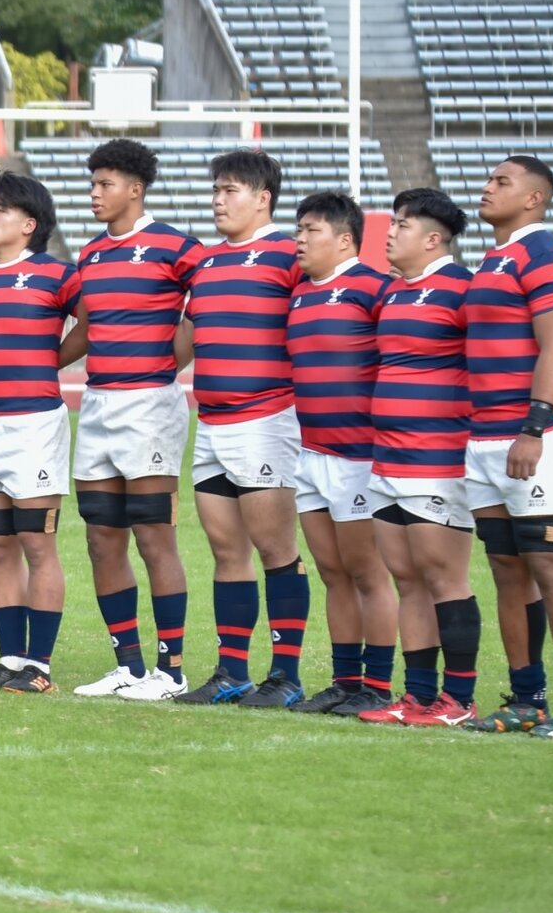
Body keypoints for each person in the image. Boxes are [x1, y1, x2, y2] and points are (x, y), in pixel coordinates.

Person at [66, 140, 205, 701]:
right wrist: (29, 365)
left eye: (105, 184)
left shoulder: (177, 246)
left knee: (154, 536)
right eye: (93, 183)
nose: (95, 193)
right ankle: (128, 664)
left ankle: (171, 670)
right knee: (102, 538)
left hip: (149, 405)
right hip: (97, 404)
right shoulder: (92, 255)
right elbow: (83, 330)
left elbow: (208, 300)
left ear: (135, 189)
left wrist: (170, 361)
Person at [175, 150, 309, 708]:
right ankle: (232, 671)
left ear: (263, 199)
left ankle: (286, 675)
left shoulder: (289, 254)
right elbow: (181, 342)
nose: (218, 201)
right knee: (226, 550)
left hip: (266, 419)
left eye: (230, 191)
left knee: (276, 548)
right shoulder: (204, 263)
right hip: (212, 423)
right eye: (215, 191)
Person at [461, 155, 553, 740]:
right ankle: (527, 699)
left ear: (533, 199)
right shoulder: (494, 260)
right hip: (482, 440)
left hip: (534, 438)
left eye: (501, 182)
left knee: (552, 569)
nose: (487, 188)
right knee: (507, 569)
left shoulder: (544, 255)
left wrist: (534, 426)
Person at [0, 173, 78, 694]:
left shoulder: (57, 275)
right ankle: (8, 659)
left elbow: (91, 322)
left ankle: (39, 666)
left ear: (29, 224)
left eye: (0, 210)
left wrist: (51, 363)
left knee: (37, 543)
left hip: (35, 426)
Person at [356, 190, 476, 726]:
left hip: (438, 459)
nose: (389, 232)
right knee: (406, 580)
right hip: (386, 460)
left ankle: (459, 699)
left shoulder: (465, 289)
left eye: (401, 225)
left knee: (443, 578)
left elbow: (518, 347)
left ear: (433, 238)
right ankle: (418, 696)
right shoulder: (395, 294)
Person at [285, 191, 396, 715]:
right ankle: (344, 681)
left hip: (359, 455)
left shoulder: (376, 290)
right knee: (331, 571)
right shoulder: (300, 293)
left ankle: (378, 684)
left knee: (365, 570)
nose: (300, 239)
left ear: (345, 238)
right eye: (298, 229)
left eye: (311, 230)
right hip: (310, 453)